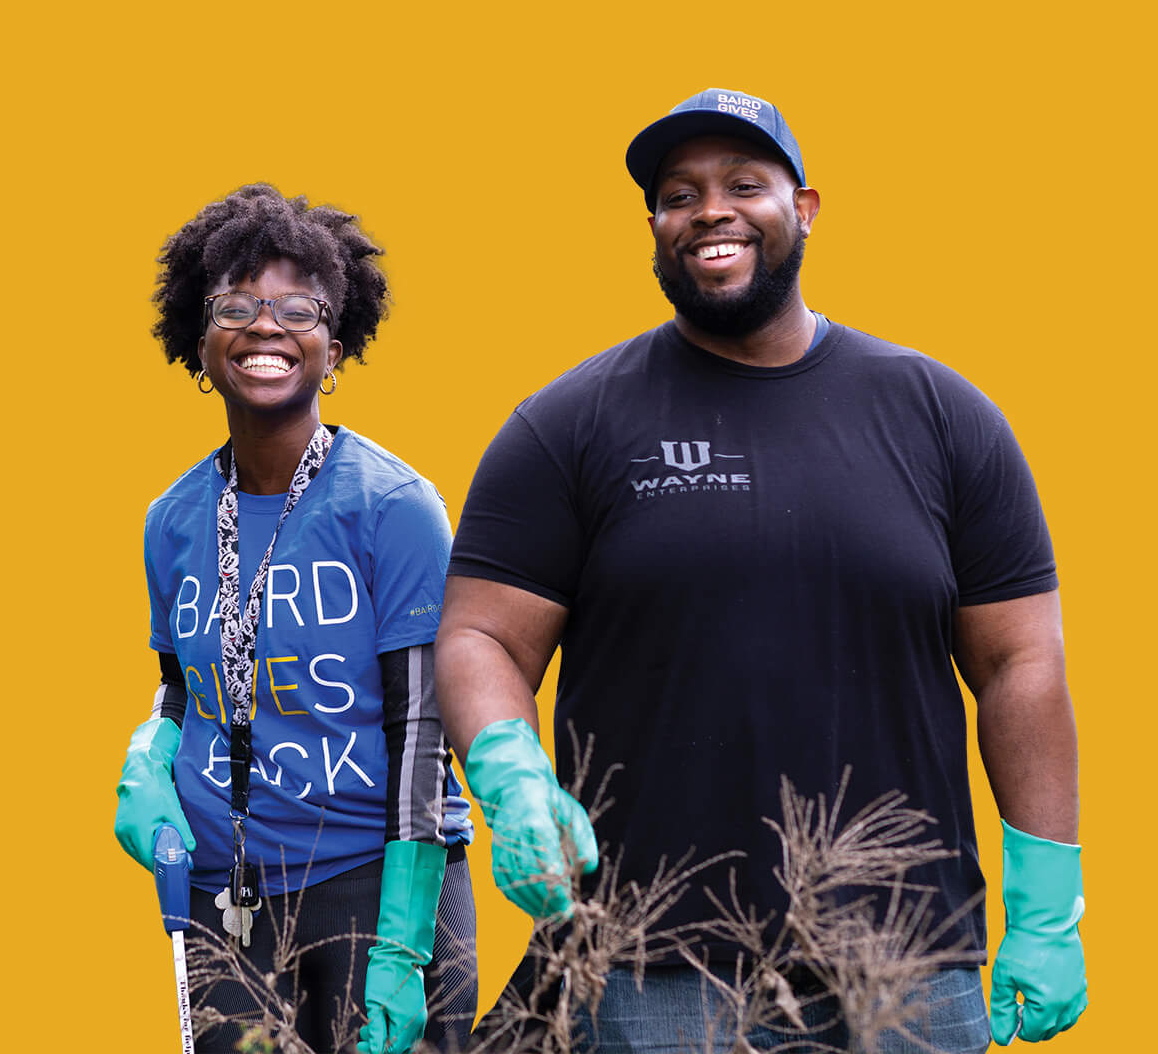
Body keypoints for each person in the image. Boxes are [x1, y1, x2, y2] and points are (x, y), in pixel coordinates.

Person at [436, 90, 1090, 1051]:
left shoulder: (941, 416)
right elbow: (481, 632)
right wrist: (509, 773)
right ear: (654, 227)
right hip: (654, 968)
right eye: (678, 193)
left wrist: (1049, 903)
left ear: (806, 207)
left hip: (907, 964)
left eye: (746, 183)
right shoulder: (568, 425)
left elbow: (1020, 663)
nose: (711, 210)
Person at [113, 184, 478, 1054]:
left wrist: (401, 939)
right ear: (199, 344)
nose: (266, 327)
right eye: (237, 305)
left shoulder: (393, 506)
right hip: (220, 890)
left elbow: (425, 725)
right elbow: (182, 687)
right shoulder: (170, 520)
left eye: (297, 309)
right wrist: (147, 757)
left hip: (371, 882)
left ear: (335, 346)